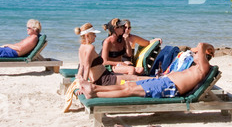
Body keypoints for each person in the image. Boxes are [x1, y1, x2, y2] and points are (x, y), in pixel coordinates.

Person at [79, 42, 215, 99]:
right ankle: (95, 88)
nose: (194, 55)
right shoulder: (194, 69)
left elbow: (201, 45)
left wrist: (210, 48)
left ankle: (95, 94)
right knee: (128, 85)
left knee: (129, 90)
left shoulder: (202, 69)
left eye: (197, 54)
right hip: (165, 82)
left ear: (204, 58)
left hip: (168, 87)